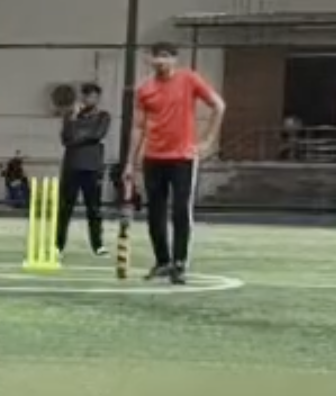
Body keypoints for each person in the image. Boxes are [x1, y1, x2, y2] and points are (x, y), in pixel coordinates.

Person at [123, 42, 224, 284]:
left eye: (166, 57)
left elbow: (218, 106)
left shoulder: (189, 79)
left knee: (180, 210)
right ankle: (162, 261)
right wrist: (130, 163)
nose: (160, 61)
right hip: (153, 157)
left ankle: (180, 263)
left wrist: (208, 140)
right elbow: (137, 127)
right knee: (154, 212)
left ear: (174, 60)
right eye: (156, 57)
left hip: (183, 158)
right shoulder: (144, 89)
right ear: (149, 60)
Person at [57, 82, 114, 258]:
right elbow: (66, 138)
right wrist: (74, 121)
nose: (89, 98)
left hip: (92, 168)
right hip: (72, 166)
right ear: (82, 97)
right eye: (87, 95)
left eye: (93, 96)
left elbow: (97, 135)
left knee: (94, 209)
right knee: (65, 208)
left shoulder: (103, 116)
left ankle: (98, 245)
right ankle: (58, 245)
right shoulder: (70, 116)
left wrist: (78, 136)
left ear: (97, 98)